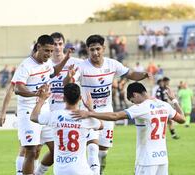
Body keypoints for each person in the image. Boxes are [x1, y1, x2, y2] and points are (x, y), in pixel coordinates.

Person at [63, 34, 150, 175]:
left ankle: (100, 170)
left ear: (103, 48)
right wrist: (68, 76)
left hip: (107, 112)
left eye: (98, 49)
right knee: (92, 147)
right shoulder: (81, 66)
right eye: (92, 49)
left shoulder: (112, 64)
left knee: (103, 150)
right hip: (87, 112)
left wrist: (144, 74)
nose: (95, 52)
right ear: (87, 50)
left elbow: (131, 74)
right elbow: (67, 85)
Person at [72, 82, 185, 175]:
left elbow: (115, 116)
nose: (133, 103)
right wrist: (174, 100)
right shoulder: (164, 105)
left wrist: (90, 113)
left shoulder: (141, 108)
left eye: (132, 100)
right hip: (163, 159)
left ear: (135, 95)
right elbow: (182, 119)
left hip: (146, 160)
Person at [13, 34, 71, 175]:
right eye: (46, 50)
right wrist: (36, 94)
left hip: (44, 110)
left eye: (51, 51)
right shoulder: (26, 65)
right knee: (31, 151)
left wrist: (66, 59)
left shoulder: (47, 63)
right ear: (38, 47)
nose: (49, 54)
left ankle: (38, 172)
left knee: (57, 149)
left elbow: (53, 73)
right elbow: (18, 88)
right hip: (28, 112)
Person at [30, 83, 103, 175]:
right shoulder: (85, 118)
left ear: (63, 98)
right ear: (80, 98)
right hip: (80, 170)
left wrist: (41, 100)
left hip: (60, 171)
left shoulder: (54, 115)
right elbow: (101, 125)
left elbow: (33, 117)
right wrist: (90, 109)